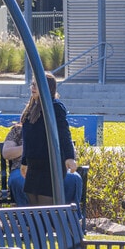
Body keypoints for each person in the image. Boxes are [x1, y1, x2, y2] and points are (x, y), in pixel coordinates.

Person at [19, 72, 77, 206]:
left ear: (47, 88)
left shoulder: (55, 107)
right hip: (33, 163)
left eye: (37, 85)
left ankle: (50, 227)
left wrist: (69, 157)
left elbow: (63, 133)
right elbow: (27, 139)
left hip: (50, 164)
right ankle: (37, 228)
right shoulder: (31, 108)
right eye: (32, 84)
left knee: (46, 207)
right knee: (33, 207)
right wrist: (24, 162)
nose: (33, 87)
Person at [3, 123, 82, 208]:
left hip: (54, 169)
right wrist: (29, 148)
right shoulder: (18, 130)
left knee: (72, 178)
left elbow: (71, 153)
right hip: (23, 168)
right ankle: (27, 218)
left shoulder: (57, 129)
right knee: (21, 181)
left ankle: (67, 217)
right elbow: (6, 153)